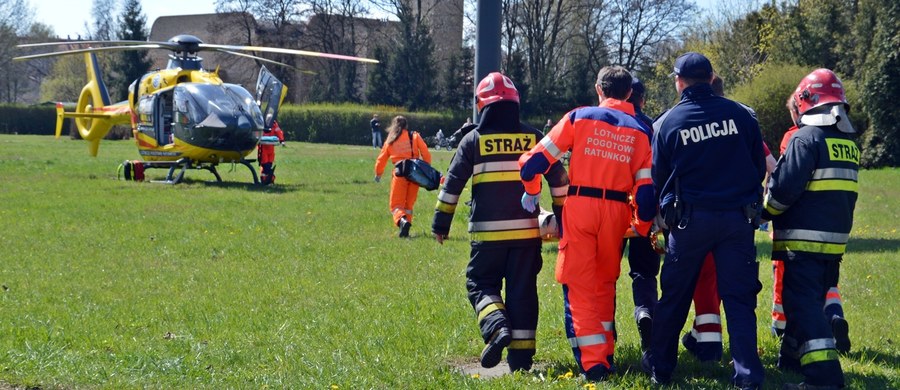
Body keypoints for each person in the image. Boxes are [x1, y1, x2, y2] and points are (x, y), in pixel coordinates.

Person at [519, 66, 654, 381]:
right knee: (605, 282)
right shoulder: (640, 131)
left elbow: (533, 164)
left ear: (598, 89)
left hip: (581, 207)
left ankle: (594, 366)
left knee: (579, 284)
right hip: (618, 212)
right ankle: (606, 352)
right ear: (630, 93)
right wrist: (642, 227)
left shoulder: (579, 118)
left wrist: (531, 192)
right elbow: (646, 197)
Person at [641, 52, 766, 389]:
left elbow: (659, 179)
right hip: (737, 220)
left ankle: (661, 369)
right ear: (711, 78)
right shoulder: (742, 116)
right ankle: (748, 377)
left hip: (689, 222)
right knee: (739, 300)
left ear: (679, 82)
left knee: (675, 297)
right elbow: (758, 167)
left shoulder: (669, 122)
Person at [431, 72, 569, 372]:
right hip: (525, 236)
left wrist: (441, 223)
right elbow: (559, 177)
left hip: (487, 237)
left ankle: (496, 325)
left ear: (482, 106)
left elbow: (452, 185)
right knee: (523, 291)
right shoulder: (534, 137)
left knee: (480, 282)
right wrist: (562, 215)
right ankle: (520, 360)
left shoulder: (473, 140)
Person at [763, 68, 858, 390]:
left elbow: (784, 190)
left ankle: (824, 377)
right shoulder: (846, 142)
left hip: (803, 242)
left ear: (807, 101)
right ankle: (790, 359)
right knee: (808, 300)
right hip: (833, 244)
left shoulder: (805, 138)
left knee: (802, 307)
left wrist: (762, 212)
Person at [678, 74, 779, 363]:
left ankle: (707, 342)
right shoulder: (741, 120)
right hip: (736, 218)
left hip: (697, 215)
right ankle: (720, 347)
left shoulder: (690, 120)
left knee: (704, 278)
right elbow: (770, 165)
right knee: (734, 285)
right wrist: (759, 202)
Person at [770, 95, 850, 352]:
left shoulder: (796, 137)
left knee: (790, 284)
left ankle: (780, 326)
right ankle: (835, 315)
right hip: (834, 231)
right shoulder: (841, 139)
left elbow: (784, 179)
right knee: (827, 284)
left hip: (800, 229)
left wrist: (764, 212)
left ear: (798, 110)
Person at [621, 77, 660, 352]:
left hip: (611, 208)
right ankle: (645, 311)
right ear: (642, 99)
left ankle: (604, 343)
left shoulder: (603, 120)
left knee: (604, 276)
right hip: (644, 206)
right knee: (644, 272)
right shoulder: (651, 126)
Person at [374, 116, 432, 237]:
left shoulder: (391, 139)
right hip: (415, 174)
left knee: (396, 205)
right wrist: (427, 169)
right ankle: (406, 229)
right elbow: (425, 152)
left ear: (393, 125)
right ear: (406, 125)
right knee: (408, 205)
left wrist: (378, 174)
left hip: (399, 173)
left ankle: (401, 221)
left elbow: (381, 159)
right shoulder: (414, 136)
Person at [258, 120, 285, 185]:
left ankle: (269, 179)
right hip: (263, 149)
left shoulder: (274, 124)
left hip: (271, 148)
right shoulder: (261, 123)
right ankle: (265, 180)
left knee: (269, 165)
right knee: (265, 166)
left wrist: (282, 140)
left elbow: (278, 132)